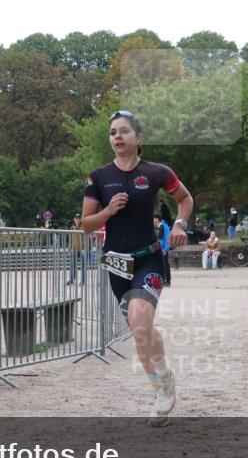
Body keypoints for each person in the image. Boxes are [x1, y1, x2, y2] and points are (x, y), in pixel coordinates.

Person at [81, 110, 192, 427]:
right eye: (113, 132)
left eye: (124, 131)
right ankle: (160, 387)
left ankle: (164, 382)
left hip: (148, 259)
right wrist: (108, 210)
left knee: (141, 323)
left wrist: (181, 223)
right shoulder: (98, 177)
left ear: (138, 138)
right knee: (140, 331)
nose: (117, 137)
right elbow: (86, 225)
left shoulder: (157, 172)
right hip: (115, 263)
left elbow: (185, 199)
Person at [153, 214, 172, 286]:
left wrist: (165, 249)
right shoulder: (155, 227)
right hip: (156, 249)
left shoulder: (164, 226)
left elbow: (167, 238)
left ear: (158, 219)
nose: (153, 220)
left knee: (165, 265)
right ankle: (160, 280)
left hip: (163, 249)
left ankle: (167, 280)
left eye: (154, 218)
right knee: (158, 265)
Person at [66, 214, 85, 285]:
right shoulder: (72, 228)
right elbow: (70, 240)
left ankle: (83, 280)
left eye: (79, 217)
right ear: (74, 219)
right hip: (74, 249)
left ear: (81, 219)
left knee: (83, 266)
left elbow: (86, 238)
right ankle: (71, 279)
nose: (77, 219)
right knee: (72, 265)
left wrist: (85, 248)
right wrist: (69, 249)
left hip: (82, 249)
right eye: (76, 217)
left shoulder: (84, 227)